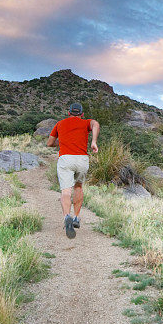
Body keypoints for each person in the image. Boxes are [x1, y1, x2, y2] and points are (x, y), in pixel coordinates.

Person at [46, 102, 99, 239]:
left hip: (66, 159)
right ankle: (76, 217)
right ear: (81, 114)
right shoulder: (86, 123)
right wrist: (93, 141)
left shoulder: (60, 124)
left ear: (69, 113)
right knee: (78, 187)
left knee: (66, 191)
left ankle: (66, 217)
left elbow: (50, 143)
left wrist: (63, 141)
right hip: (82, 159)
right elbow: (96, 124)